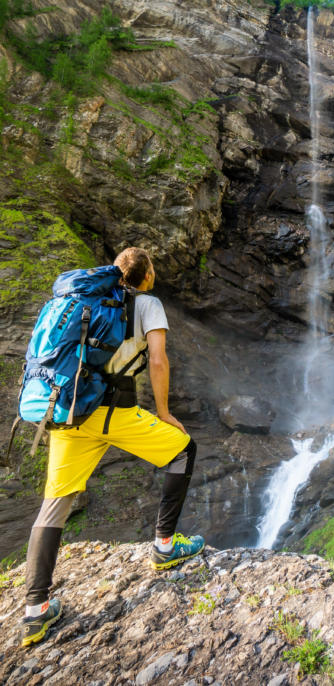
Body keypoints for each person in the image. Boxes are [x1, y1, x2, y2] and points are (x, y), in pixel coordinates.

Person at [21, 247, 203, 648]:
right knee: (183, 449)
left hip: (69, 414)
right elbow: (157, 360)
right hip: (112, 412)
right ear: (146, 275)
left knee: (54, 506)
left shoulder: (80, 301)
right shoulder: (147, 304)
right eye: (152, 270)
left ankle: (35, 610)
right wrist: (164, 411)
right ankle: (165, 546)